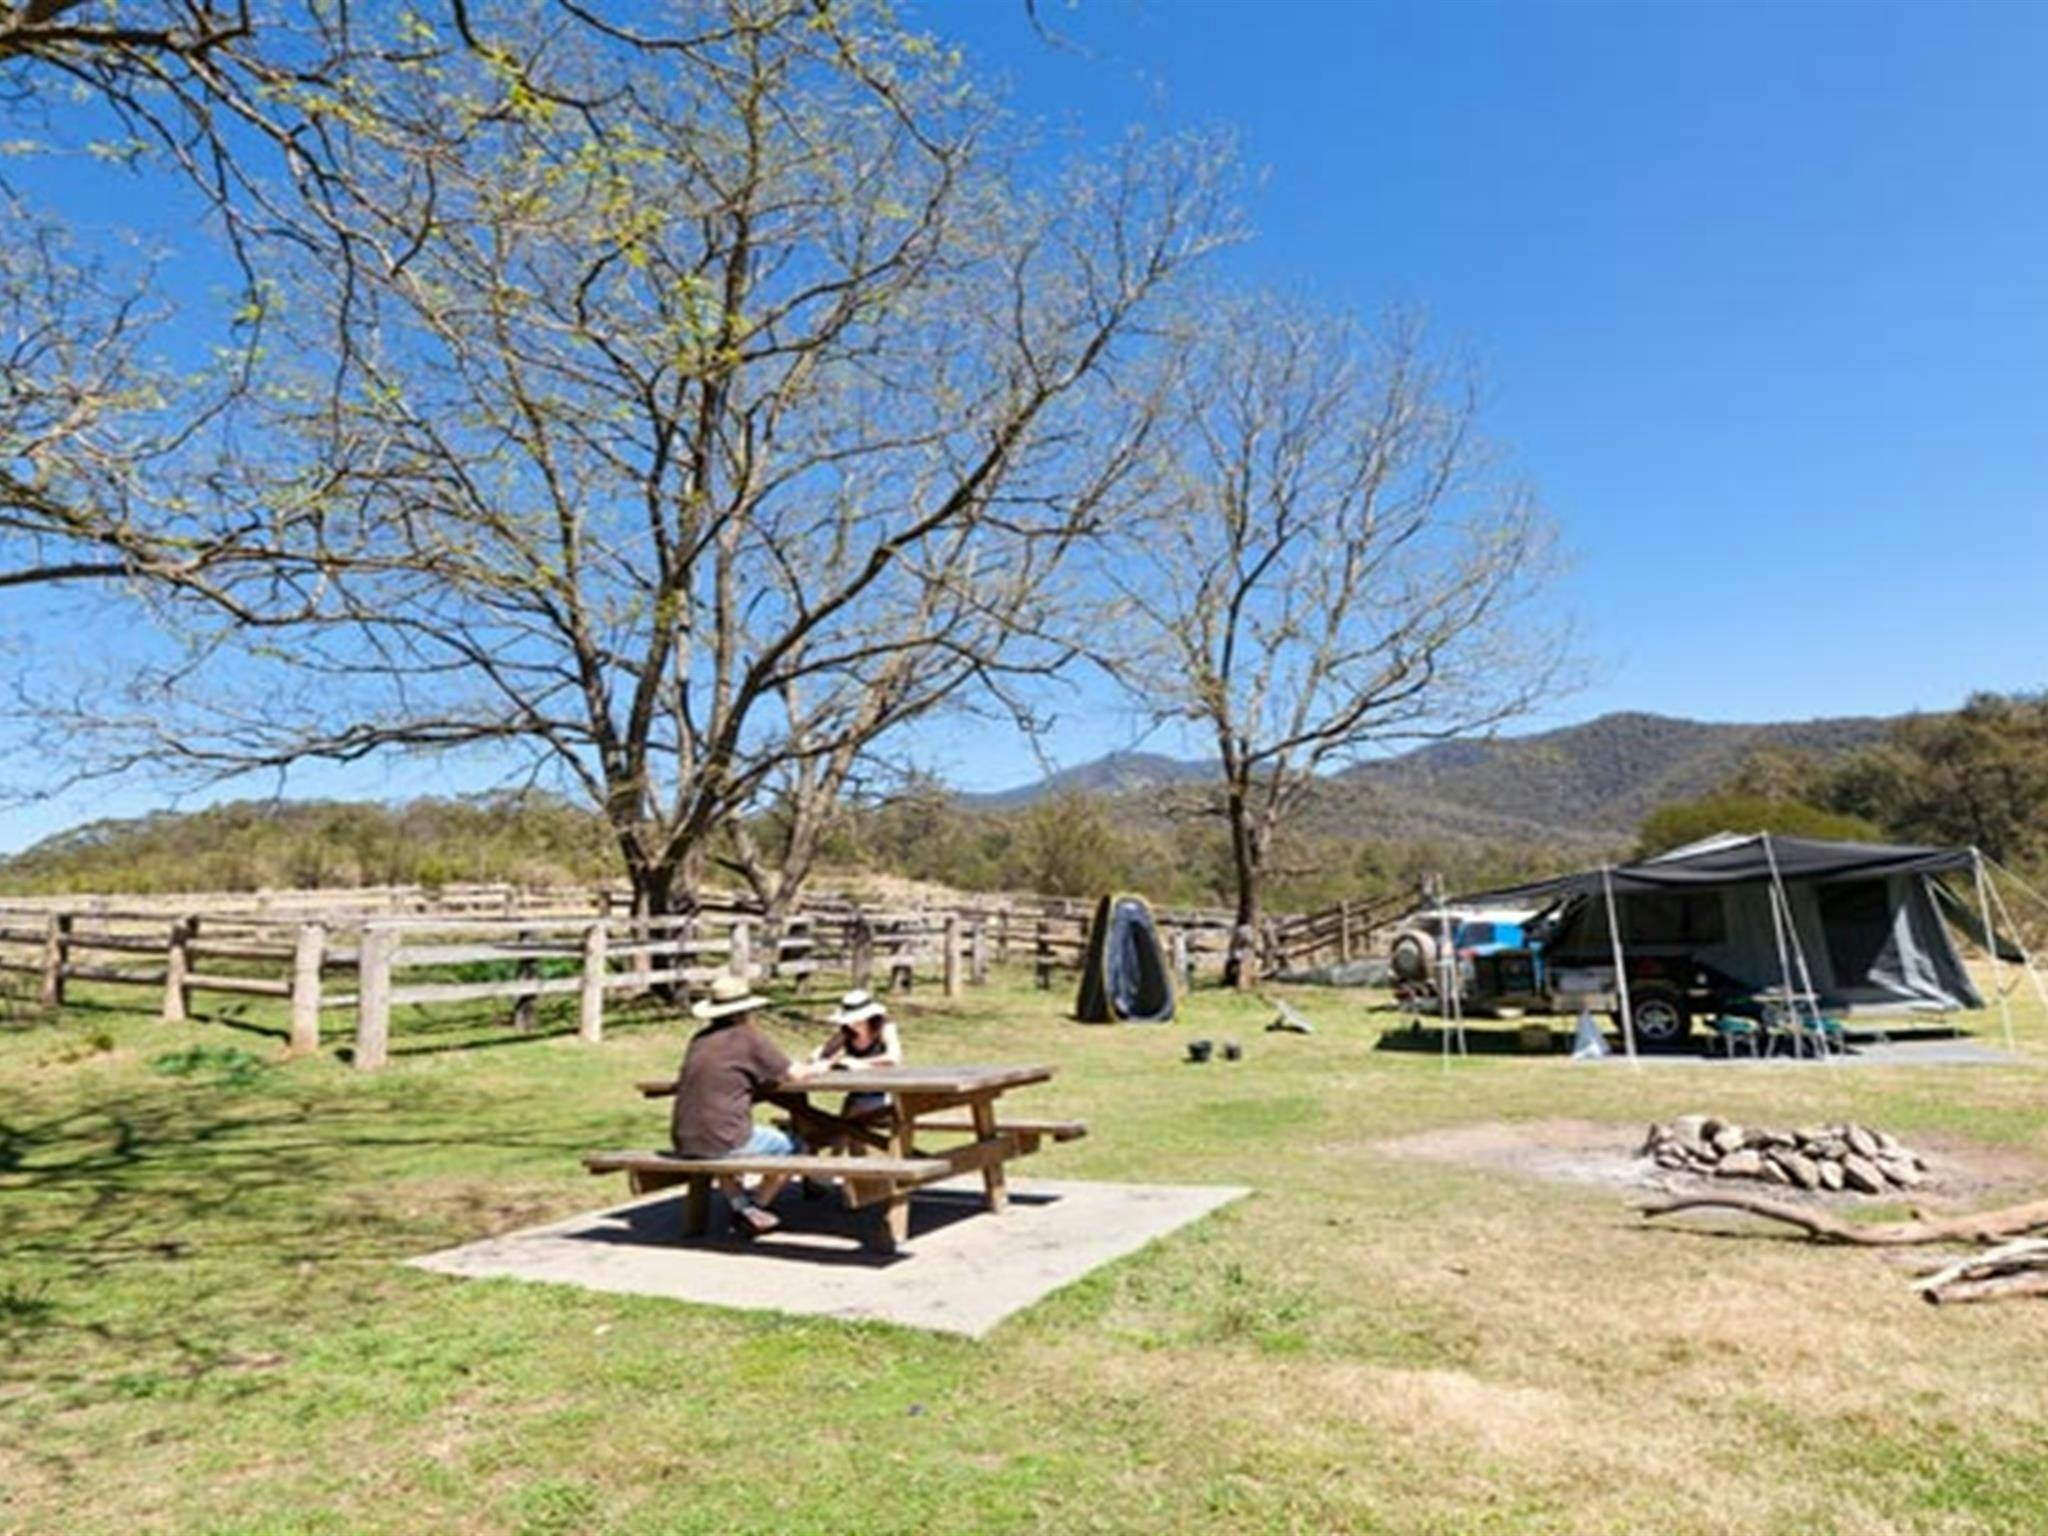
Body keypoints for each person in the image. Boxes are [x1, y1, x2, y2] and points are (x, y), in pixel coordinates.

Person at [671, 973, 816, 1236]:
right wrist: (815, 1066)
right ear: (746, 1010)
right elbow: (793, 1073)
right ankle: (754, 1207)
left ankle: (741, 1206)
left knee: (718, 1142)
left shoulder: (699, 1039)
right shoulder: (748, 1037)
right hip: (725, 1139)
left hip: (685, 1138)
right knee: (798, 1147)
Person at [810, 988, 902, 1119]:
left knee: (847, 1128)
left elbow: (893, 1058)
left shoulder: (885, 1028)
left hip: (881, 1094)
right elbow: (819, 1053)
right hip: (856, 1094)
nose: (852, 1024)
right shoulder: (846, 1032)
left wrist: (858, 1063)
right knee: (841, 1127)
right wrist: (829, 1060)